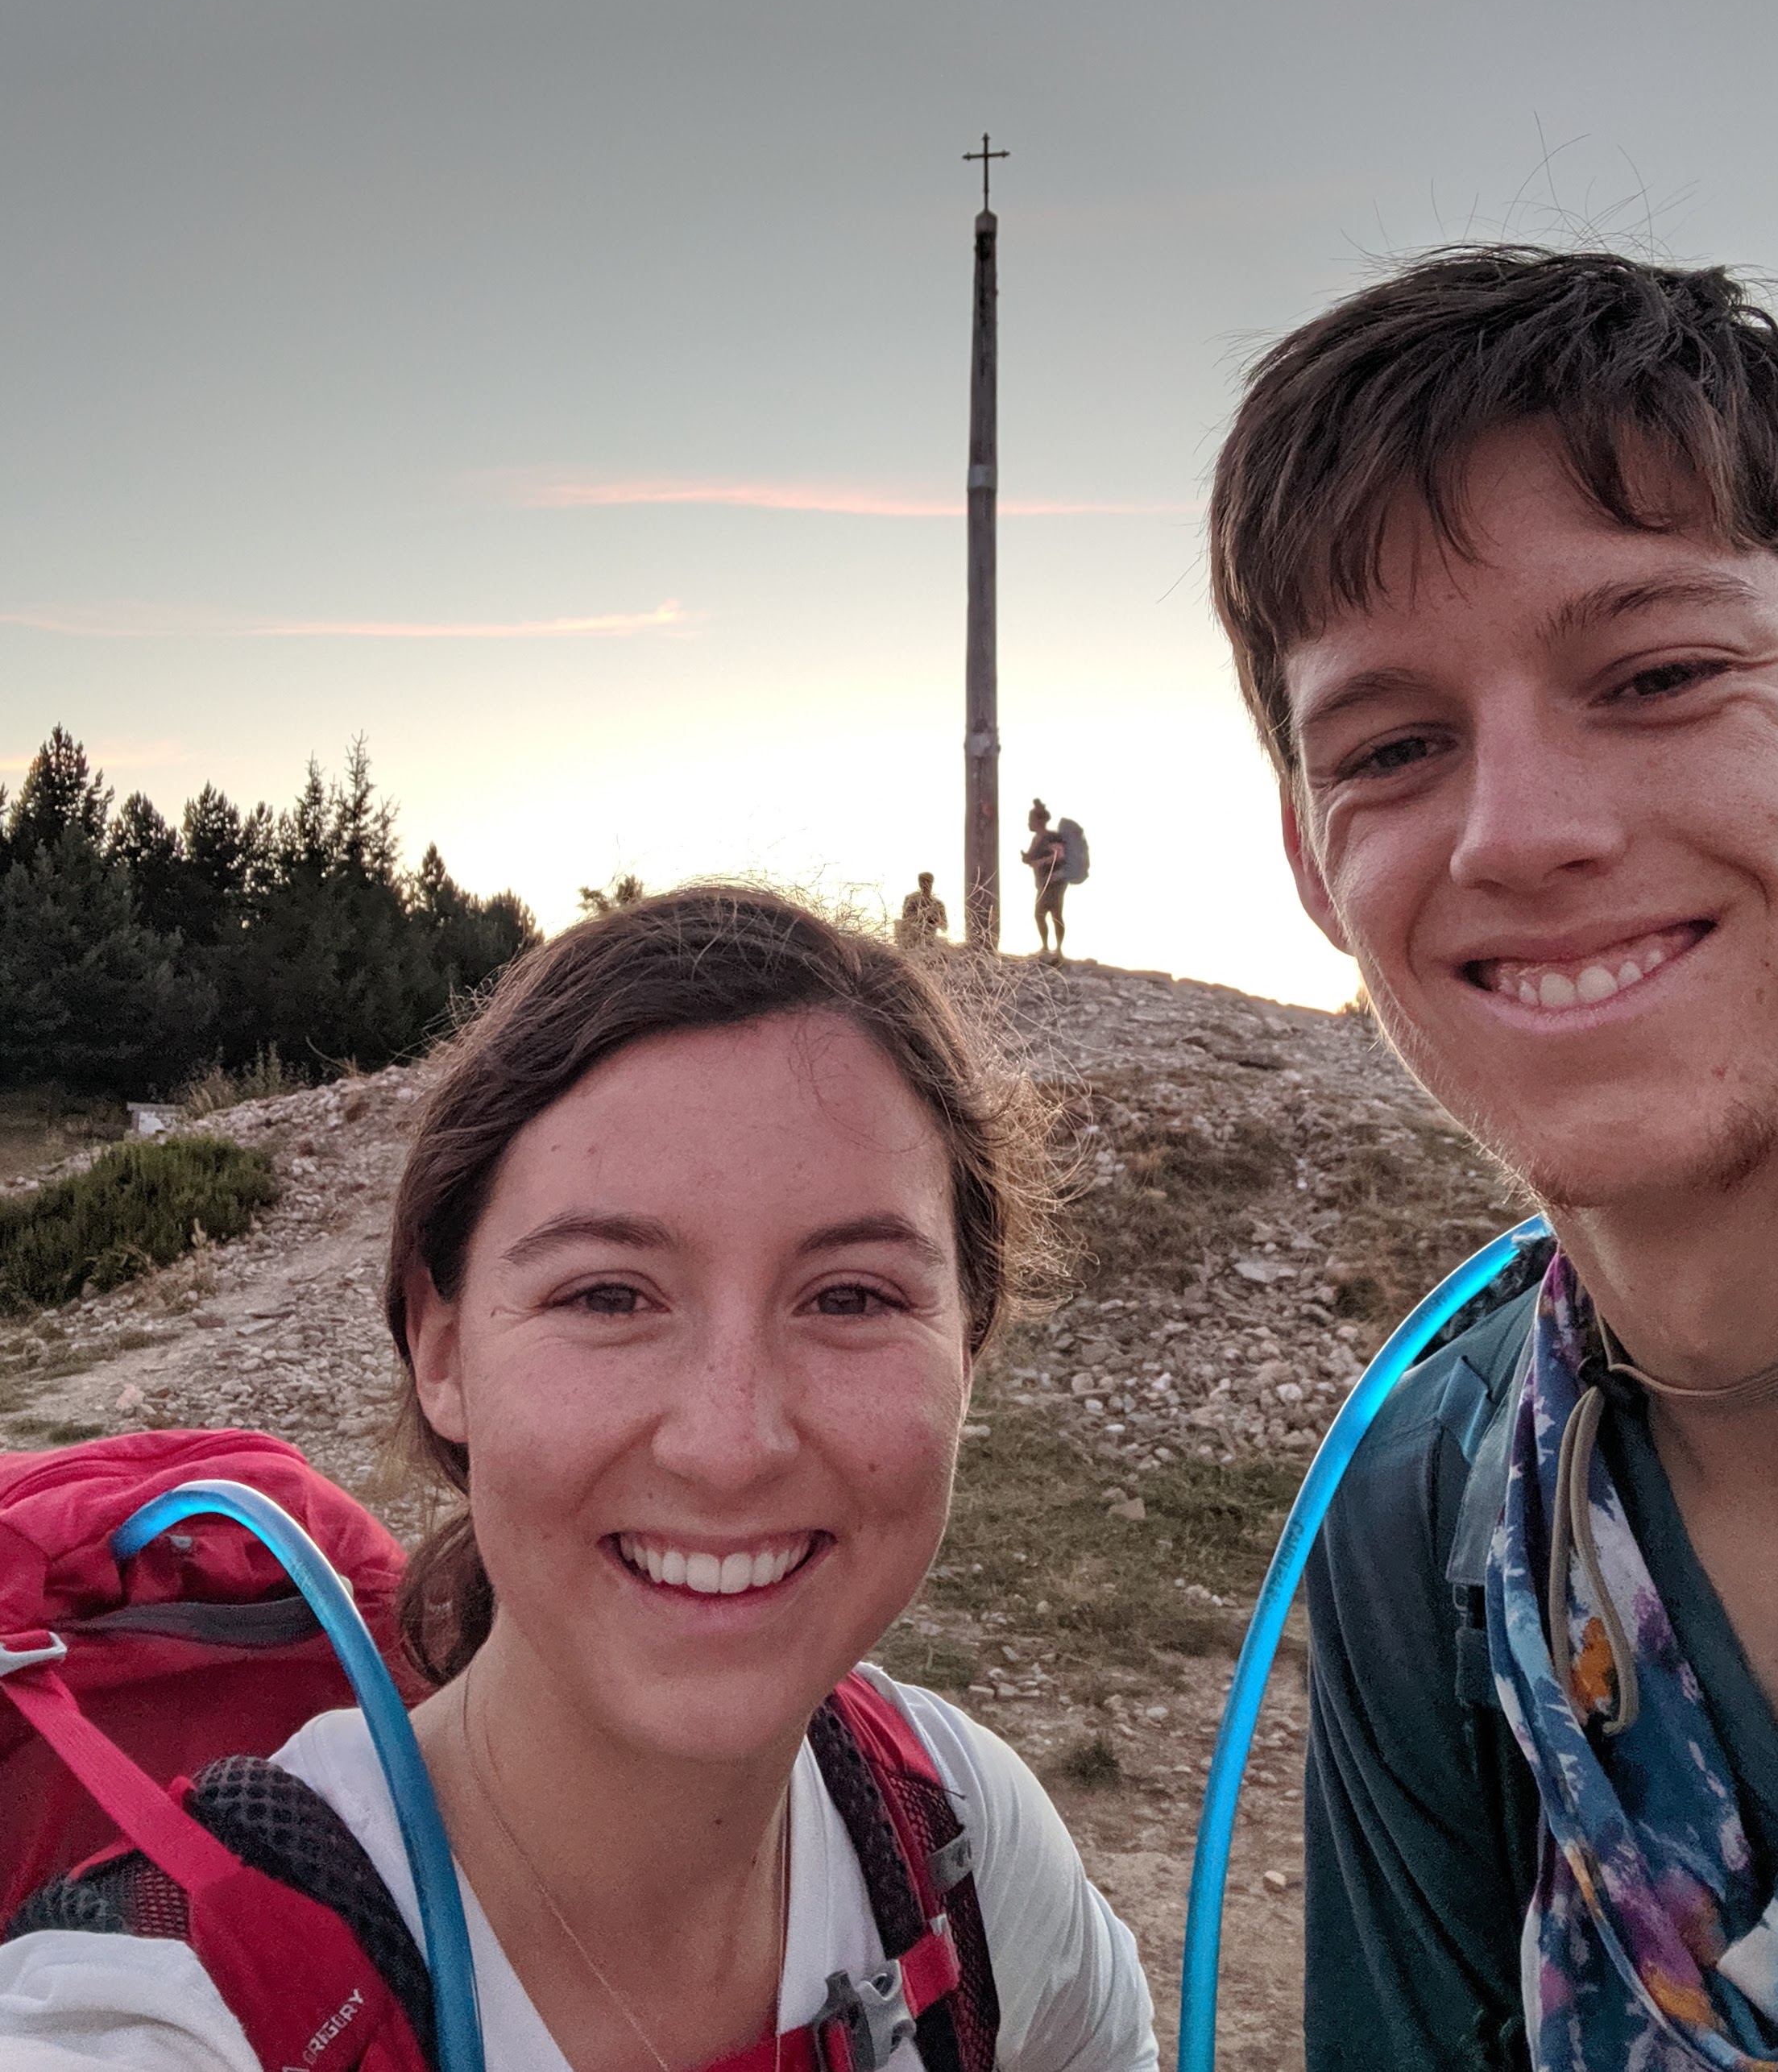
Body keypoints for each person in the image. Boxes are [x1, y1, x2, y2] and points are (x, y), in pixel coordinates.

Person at [0, 886, 1156, 2072]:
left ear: (966, 1352)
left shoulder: (960, 1833)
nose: (730, 1442)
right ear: (441, 1350)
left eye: (851, 1296)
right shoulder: (157, 2014)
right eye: (607, 1295)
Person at [1207, 248, 1778, 2070]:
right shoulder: (1428, 1524)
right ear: (1308, 860)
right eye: (1397, 745)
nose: (1519, 833)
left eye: (1657, 674)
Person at [1021, 804, 1067, 959]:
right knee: (1041, 914)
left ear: (1039, 821)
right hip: (1043, 882)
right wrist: (1027, 858)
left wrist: (1041, 862)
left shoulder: (1052, 837)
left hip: (1055, 881)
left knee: (1054, 913)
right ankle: (1046, 947)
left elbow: (1059, 855)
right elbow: (1033, 857)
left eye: (1031, 820)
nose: (1029, 823)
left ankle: (1057, 949)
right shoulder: (1037, 839)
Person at [895, 871, 949, 953]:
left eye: (928, 881)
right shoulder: (911, 899)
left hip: (930, 943)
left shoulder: (938, 904)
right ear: (919, 883)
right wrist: (924, 916)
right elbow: (906, 919)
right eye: (922, 881)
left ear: (932, 882)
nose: (925, 884)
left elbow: (944, 926)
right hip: (912, 943)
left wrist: (934, 920)